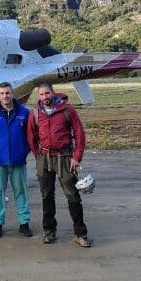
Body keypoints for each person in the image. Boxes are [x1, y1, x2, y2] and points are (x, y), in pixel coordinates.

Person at [26, 83, 91, 247]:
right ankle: (49, 231)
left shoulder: (68, 110)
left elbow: (79, 134)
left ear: (53, 93)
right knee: (46, 196)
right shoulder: (35, 113)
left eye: (47, 93)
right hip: (44, 158)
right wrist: (38, 156)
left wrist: (76, 157)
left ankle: (80, 234)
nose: (44, 97)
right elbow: (31, 137)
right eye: (41, 94)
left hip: (65, 158)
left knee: (73, 196)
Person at [0, 82, 32, 238]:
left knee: (21, 191)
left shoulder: (24, 112)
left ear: (12, 94)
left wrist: (25, 150)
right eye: (2, 93)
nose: (5, 96)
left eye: (7, 93)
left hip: (18, 160)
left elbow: (31, 134)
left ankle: (24, 223)